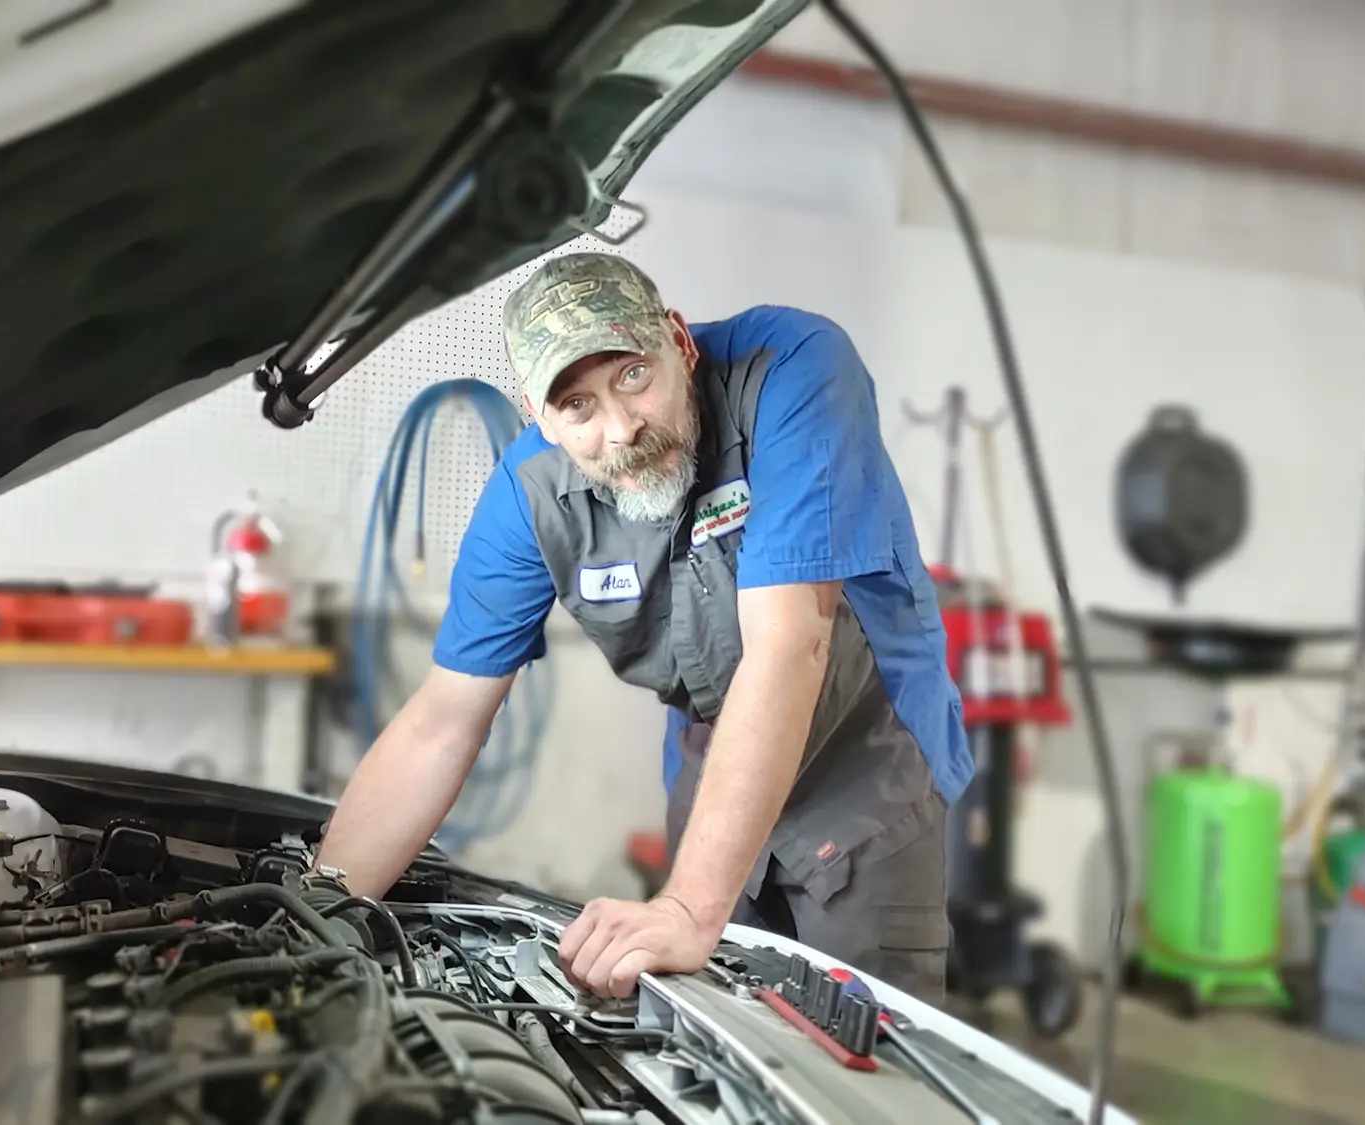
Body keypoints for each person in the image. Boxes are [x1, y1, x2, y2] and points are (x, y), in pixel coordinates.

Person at [314, 252, 970, 1003]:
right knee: (708, 1037)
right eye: (578, 407)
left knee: (856, 1054)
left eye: (633, 375)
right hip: (717, 751)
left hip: (868, 768)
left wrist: (690, 906)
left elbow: (792, 644)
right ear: (539, 419)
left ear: (680, 344)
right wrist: (320, 906)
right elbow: (441, 721)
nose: (621, 429)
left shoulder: (793, 369)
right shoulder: (529, 497)